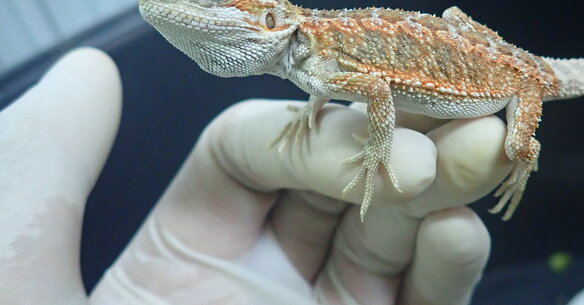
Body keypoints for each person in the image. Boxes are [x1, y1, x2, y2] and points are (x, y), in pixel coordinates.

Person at [0, 48, 511, 305]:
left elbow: (374, 89)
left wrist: (377, 144)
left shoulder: (312, 52)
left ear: (267, 14)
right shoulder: (310, 61)